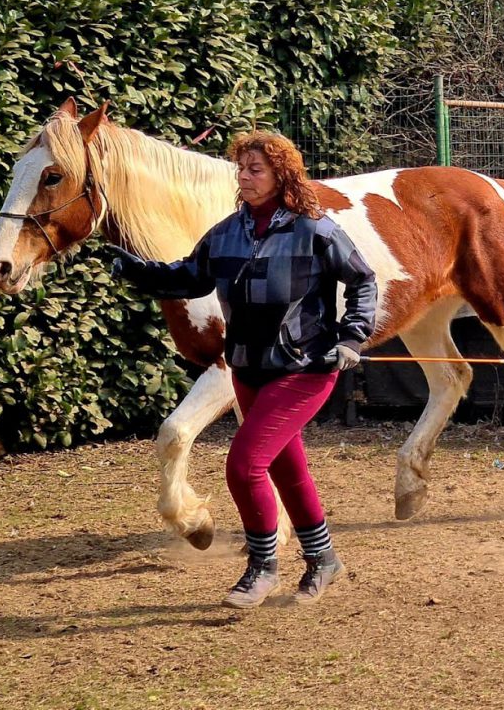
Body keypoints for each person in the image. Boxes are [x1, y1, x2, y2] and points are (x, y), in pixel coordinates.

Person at [110, 130, 377, 609]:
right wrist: (135, 270)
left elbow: (362, 280)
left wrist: (352, 335)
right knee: (286, 468)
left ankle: (262, 567)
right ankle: (324, 559)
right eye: (242, 169)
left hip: (305, 370)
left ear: (281, 176)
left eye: (256, 170)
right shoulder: (227, 232)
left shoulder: (315, 230)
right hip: (248, 369)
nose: (245, 177)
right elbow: (188, 276)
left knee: (243, 465)